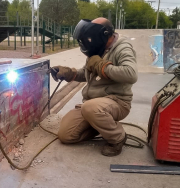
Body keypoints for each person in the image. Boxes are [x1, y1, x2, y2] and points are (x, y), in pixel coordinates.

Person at [49, 18, 137, 157]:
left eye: (89, 38)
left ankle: (117, 137)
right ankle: (100, 126)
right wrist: (68, 73)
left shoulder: (122, 48)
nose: (87, 42)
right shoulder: (98, 48)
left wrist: (101, 66)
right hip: (92, 105)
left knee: (91, 108)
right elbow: (86, 73)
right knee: (66, 135)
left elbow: (131, 74)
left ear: (103, 34)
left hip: (117, 102)